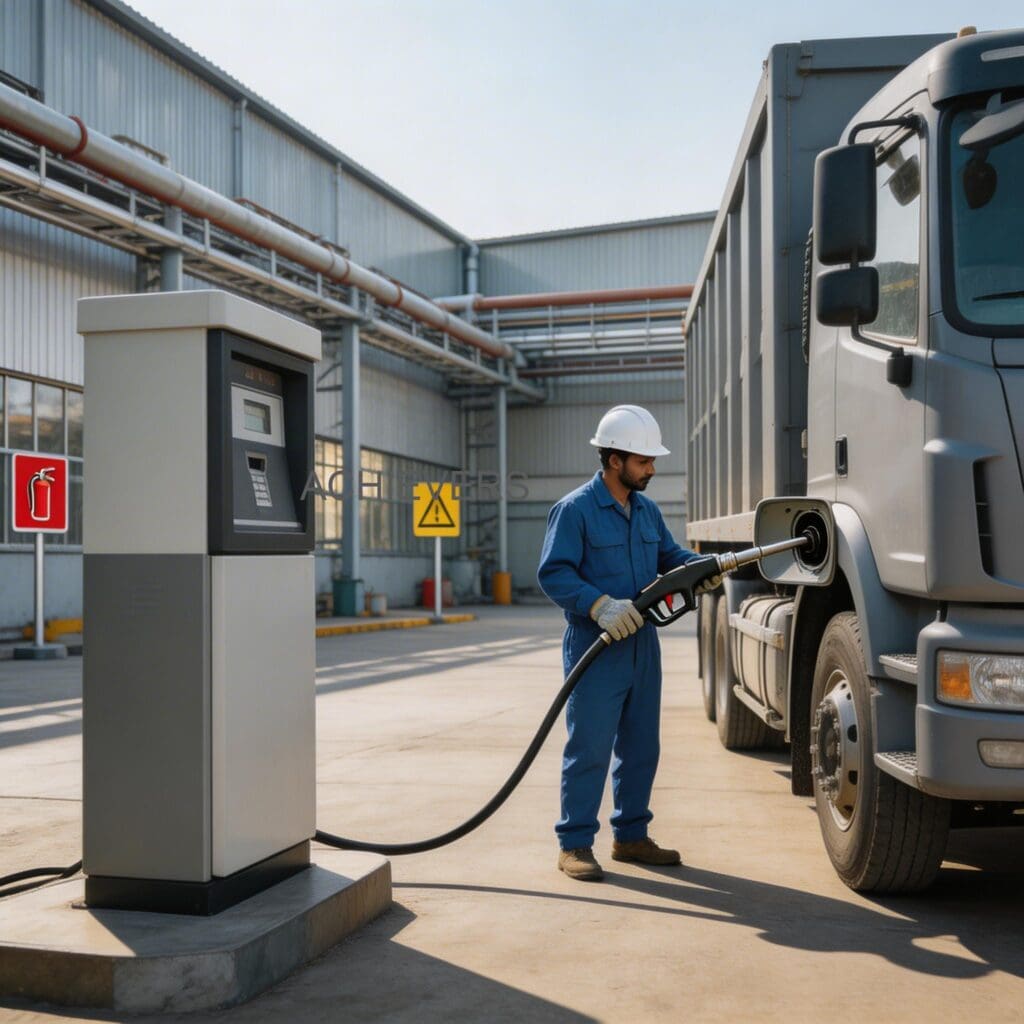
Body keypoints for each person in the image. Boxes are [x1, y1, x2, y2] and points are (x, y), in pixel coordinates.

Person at [537, 404, 721, 881]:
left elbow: (669, 555)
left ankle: (631, 837)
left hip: (642, 646)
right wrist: (598, 604)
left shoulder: (647, 511)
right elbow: (553, 573)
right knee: (591, 748)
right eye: (644, 461)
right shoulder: (575, 509)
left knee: (642, 746)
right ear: (614, 460)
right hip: (596, 647)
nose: (652, 469)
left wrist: (699, 571)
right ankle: (575, 843)